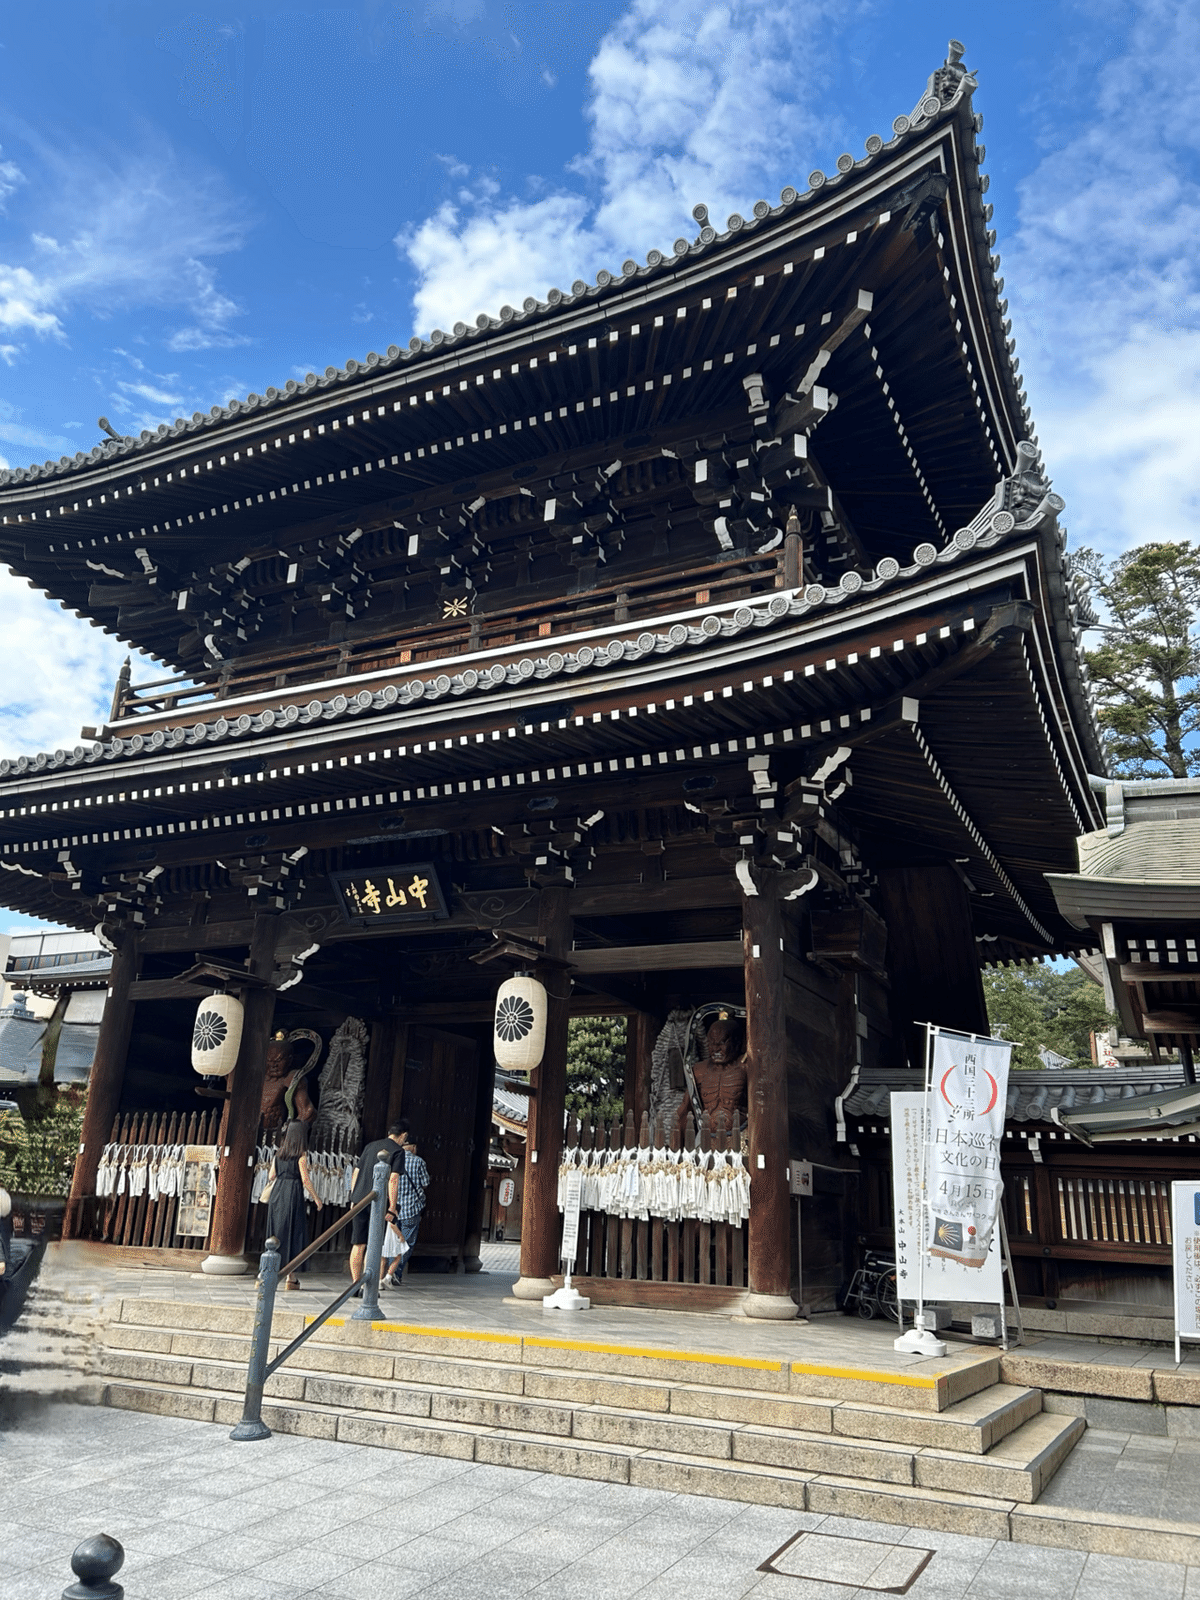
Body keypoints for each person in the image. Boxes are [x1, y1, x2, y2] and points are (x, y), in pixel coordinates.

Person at [347, 1118, 409, 1288]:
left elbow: (356, 1172)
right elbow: (393, 1179)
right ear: (403, 1135)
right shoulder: (398, 1151)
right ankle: (367, 1283)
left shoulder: (370, 1146)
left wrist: (353, 1197)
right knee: (373, 1244)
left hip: (359, 1200)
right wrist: (392, 1206)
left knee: (358, 1243)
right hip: (378, 1202)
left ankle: (355, 1283)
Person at [264, 1119, 323, 1290]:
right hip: (293, 1193)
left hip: (278, 1193)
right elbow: (305, 1180)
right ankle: (291, 1277)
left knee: (276, 1231)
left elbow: (271, 1176)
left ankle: (269, 1270)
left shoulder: (278, 1155)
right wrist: (316, 1198)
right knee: (293, 1232)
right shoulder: (302, 1156)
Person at [383, 1126, 429, 1288]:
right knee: (406, 1243)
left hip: (393, 1209)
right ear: (414, 1147)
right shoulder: (419, 1162)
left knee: (391, 1242)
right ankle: (394, 1273)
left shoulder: (392, 1158)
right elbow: (425, 1183)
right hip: (411, 1210)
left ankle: (388, 1272)